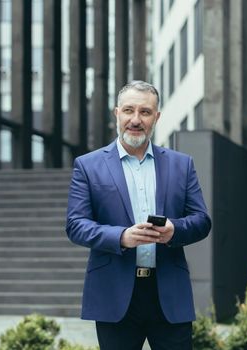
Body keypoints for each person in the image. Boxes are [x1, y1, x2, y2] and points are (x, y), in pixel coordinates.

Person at [65, 80, 212, 350]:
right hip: (114, 294)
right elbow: (75, 225)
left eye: (145, 112)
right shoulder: (88, 166)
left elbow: (202, 220)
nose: (136, 119)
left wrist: (174, 230)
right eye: (129, 110)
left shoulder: (182, 164)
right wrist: (121, 236)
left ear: (156, 117)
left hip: (168, 291)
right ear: (117, 112)